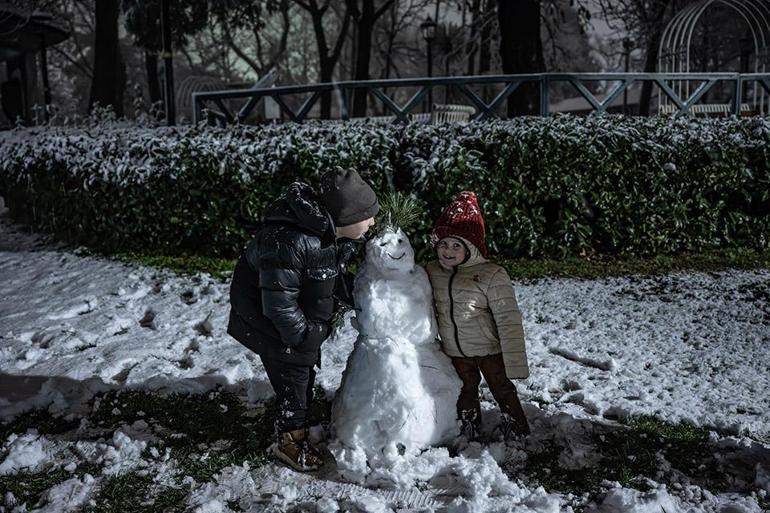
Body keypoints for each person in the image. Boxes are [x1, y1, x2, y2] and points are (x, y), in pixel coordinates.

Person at [227, 168, 378, 471]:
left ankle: (300, 404)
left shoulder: (326, 233)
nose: (373, 222)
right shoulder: (291, 242)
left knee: (301, 371)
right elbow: (279, 305)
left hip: (297, 320)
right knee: (293, 376)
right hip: (271, 324)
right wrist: (304, 337)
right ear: (345, 218)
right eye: (367, 216)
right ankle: (289, 439)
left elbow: (325, 276)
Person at [425, 191, 530, 441]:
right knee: (465, 391)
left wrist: (516, 362)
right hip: (456, 351)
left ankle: (516, 426)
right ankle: (468, 426)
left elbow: (509, 319)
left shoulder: (491, 275)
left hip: (489, 349)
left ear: (471, 247)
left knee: (502, 388)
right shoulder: (431, 271)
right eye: (443, 244)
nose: (448, 251)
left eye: (456, 245)